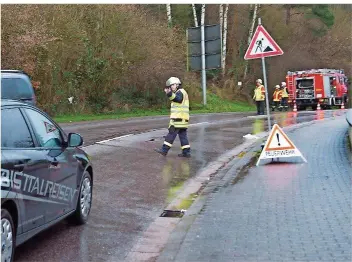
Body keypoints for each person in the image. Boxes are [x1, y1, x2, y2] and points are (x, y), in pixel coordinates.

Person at [155, 77, 191, 158]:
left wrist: (169, 94)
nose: (171, 87)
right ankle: (186, 152)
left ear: (176, 84)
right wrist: (170, 94)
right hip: (183, 119)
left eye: (171, 85)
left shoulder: (180, 92)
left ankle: (164, 150)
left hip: (178, 119)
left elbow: (178, 99)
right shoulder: (181, 92)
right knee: (183, 136)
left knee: (171, 134)